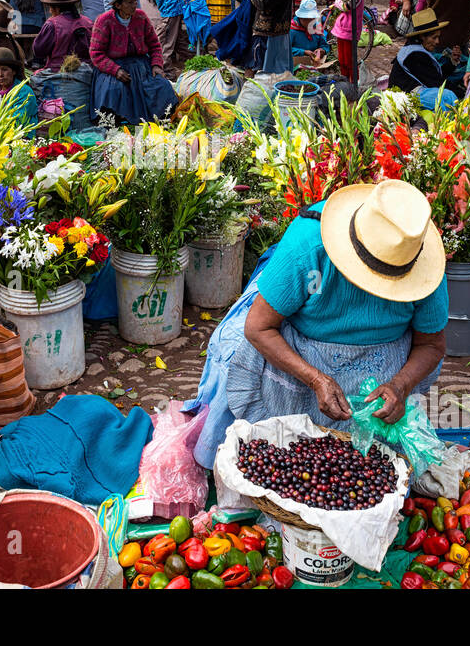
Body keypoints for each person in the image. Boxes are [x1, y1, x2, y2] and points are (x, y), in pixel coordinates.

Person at [187, 179, 448, 469]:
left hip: (383, 360)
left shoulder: (421, 265)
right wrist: (316, 379)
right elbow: (258, 327)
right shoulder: (309, 244)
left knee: (374, 470)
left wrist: (400, 385)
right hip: (301, 345)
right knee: (281, 454)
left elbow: (431, 344)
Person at [89, 0, 178, 125]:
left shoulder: (141, 17)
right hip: (113, 66)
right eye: (130, 2)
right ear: (118, 5)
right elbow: (96, 54)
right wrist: (115, 70)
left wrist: (156, 65)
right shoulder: (104, 21)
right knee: (114, 91)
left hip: (140, 65)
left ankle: (157, 120)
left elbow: (155, 45)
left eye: (135, 0)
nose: (134, 5)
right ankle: (119, 123)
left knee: (162, 86)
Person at [388, 8, 463, 110]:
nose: (437, 42)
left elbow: (434, 74)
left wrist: (452, 62)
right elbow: (437, 82)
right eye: (434, 38)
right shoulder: (415, 55)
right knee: (447, 97)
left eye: (438, 37)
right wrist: (465, 95)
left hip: (414, 90)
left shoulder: (417, 49)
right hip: (405, 97)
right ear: (422, 36)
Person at [32, 0, 93, 71]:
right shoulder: (88, 22)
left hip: (58, 73)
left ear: (56, 8)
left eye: (50, 8)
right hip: (88, 71)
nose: (50, 11)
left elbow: (38, 50)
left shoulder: (52, 24)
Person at [0, 46, 39, 130]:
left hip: (18, 136)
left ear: (13, 71)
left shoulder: (24, 92)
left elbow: (17, 121)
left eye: (4, 70)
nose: (0, 75)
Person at [327, 0, 370, 71]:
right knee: (342, 61)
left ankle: (352, 85)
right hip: (344, 28)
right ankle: (346, 84)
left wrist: (337, 2)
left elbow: (347, 7)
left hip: (349, 29)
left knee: (349, 62)